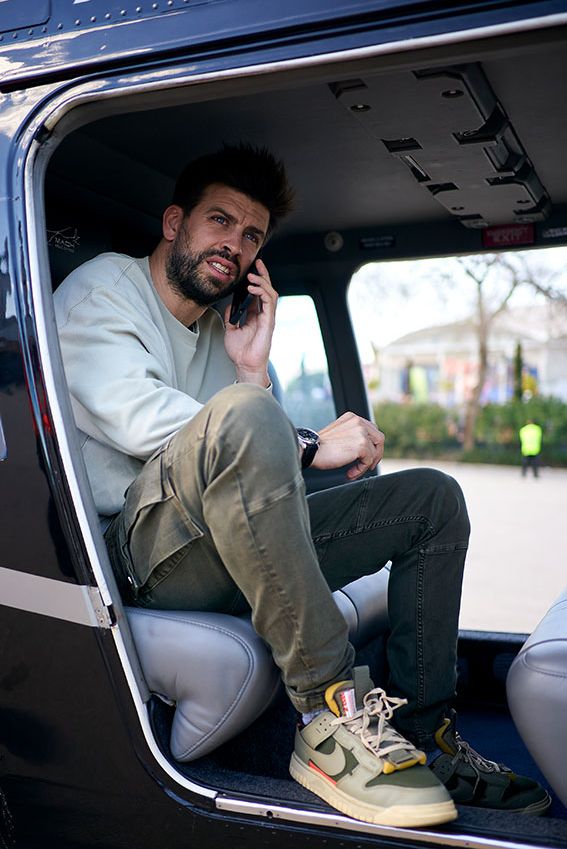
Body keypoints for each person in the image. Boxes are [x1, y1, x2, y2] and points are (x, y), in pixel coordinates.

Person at [54, 143, 550, 827]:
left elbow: (248, 456)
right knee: (246, 413)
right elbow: (150, 423)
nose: (234, 244)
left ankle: (424, 736)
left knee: (430, 499)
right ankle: (329, 716)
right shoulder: (103, 289)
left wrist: (252, 369)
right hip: (138, 557)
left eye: (251, 235)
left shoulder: (214, 339)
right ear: (174, 223)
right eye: (219, 222)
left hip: (221, 538)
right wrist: (307, 438)